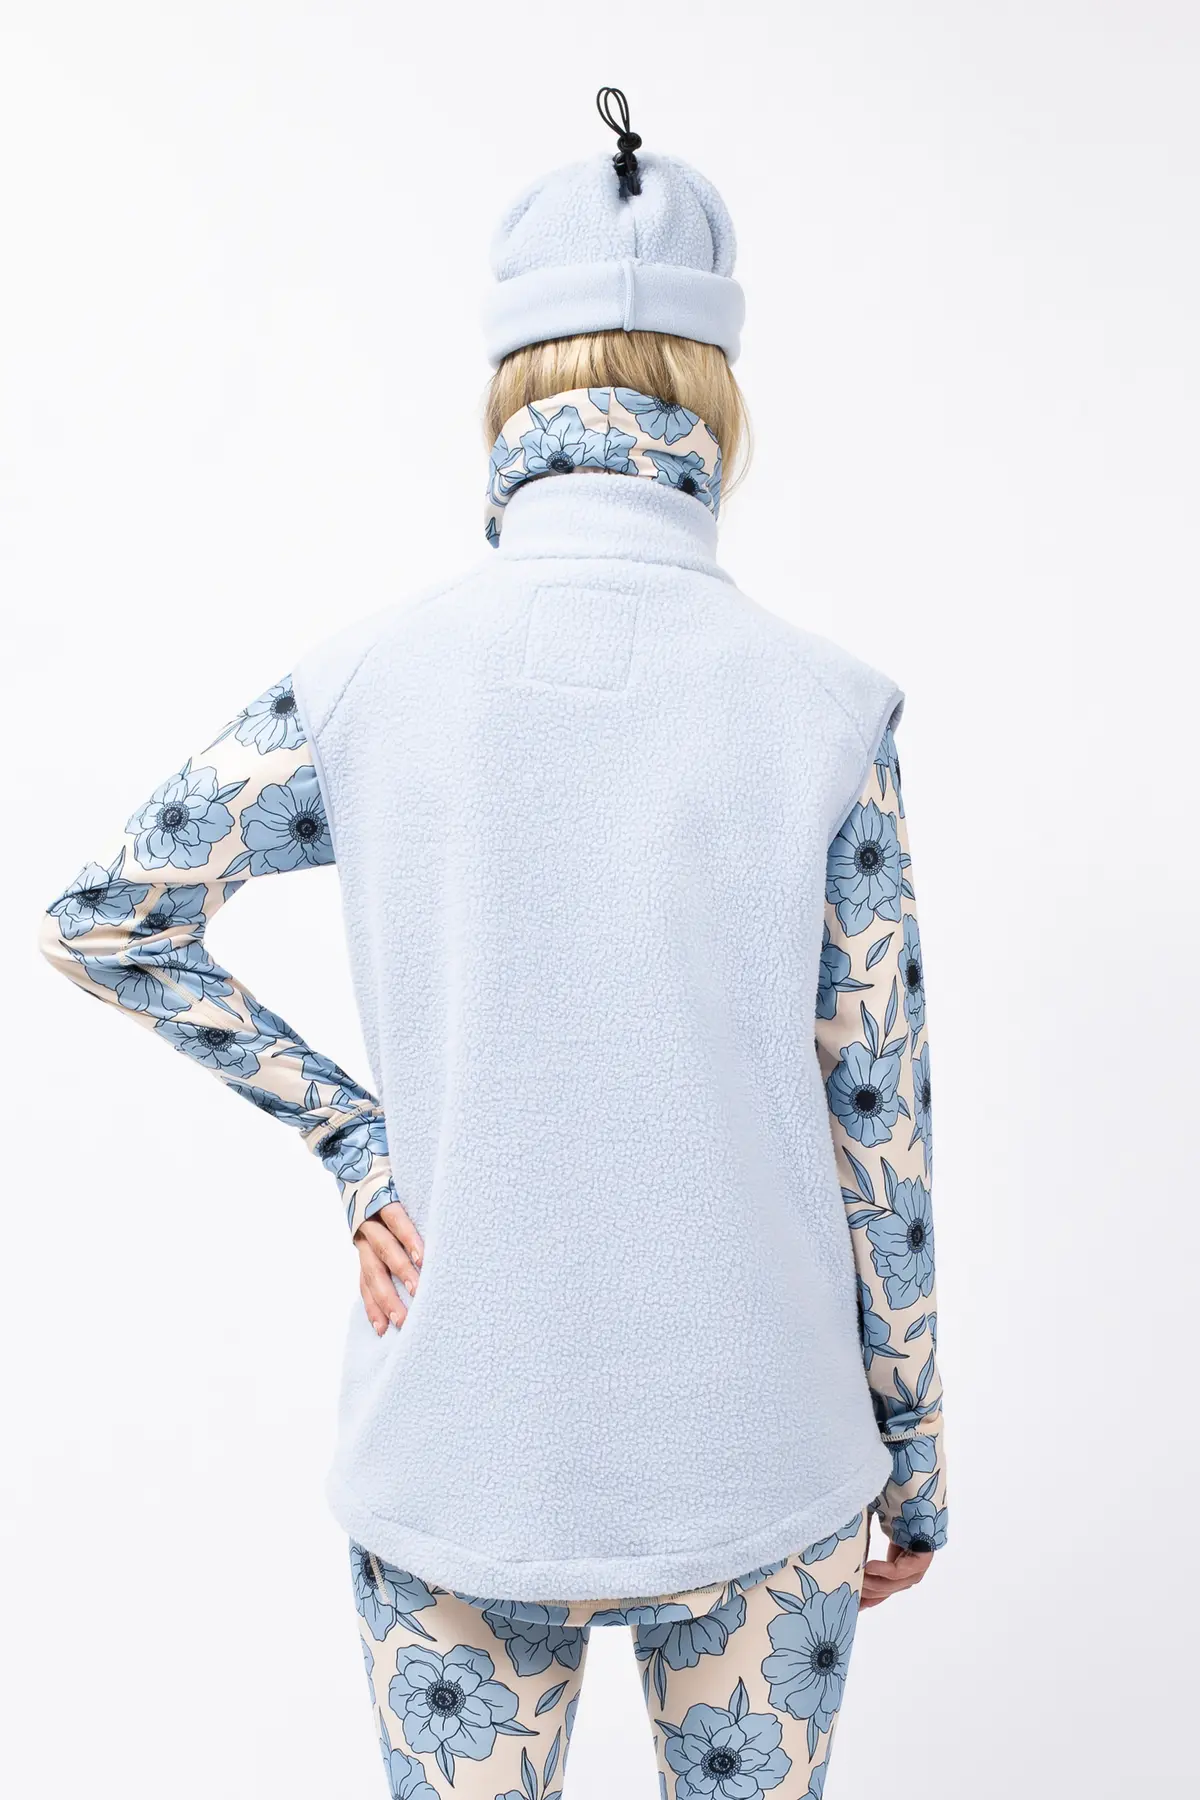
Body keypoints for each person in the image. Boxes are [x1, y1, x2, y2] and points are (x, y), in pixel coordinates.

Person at [40, 89, 947, 1800]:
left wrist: (355, 1137)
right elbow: (879, 1122)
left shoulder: (367, 683)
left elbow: (112, 918)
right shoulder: (826, 710)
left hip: (455, 1436)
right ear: (714, 398)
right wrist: (915, 1451)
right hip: (766, 1450)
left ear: (512, 393)